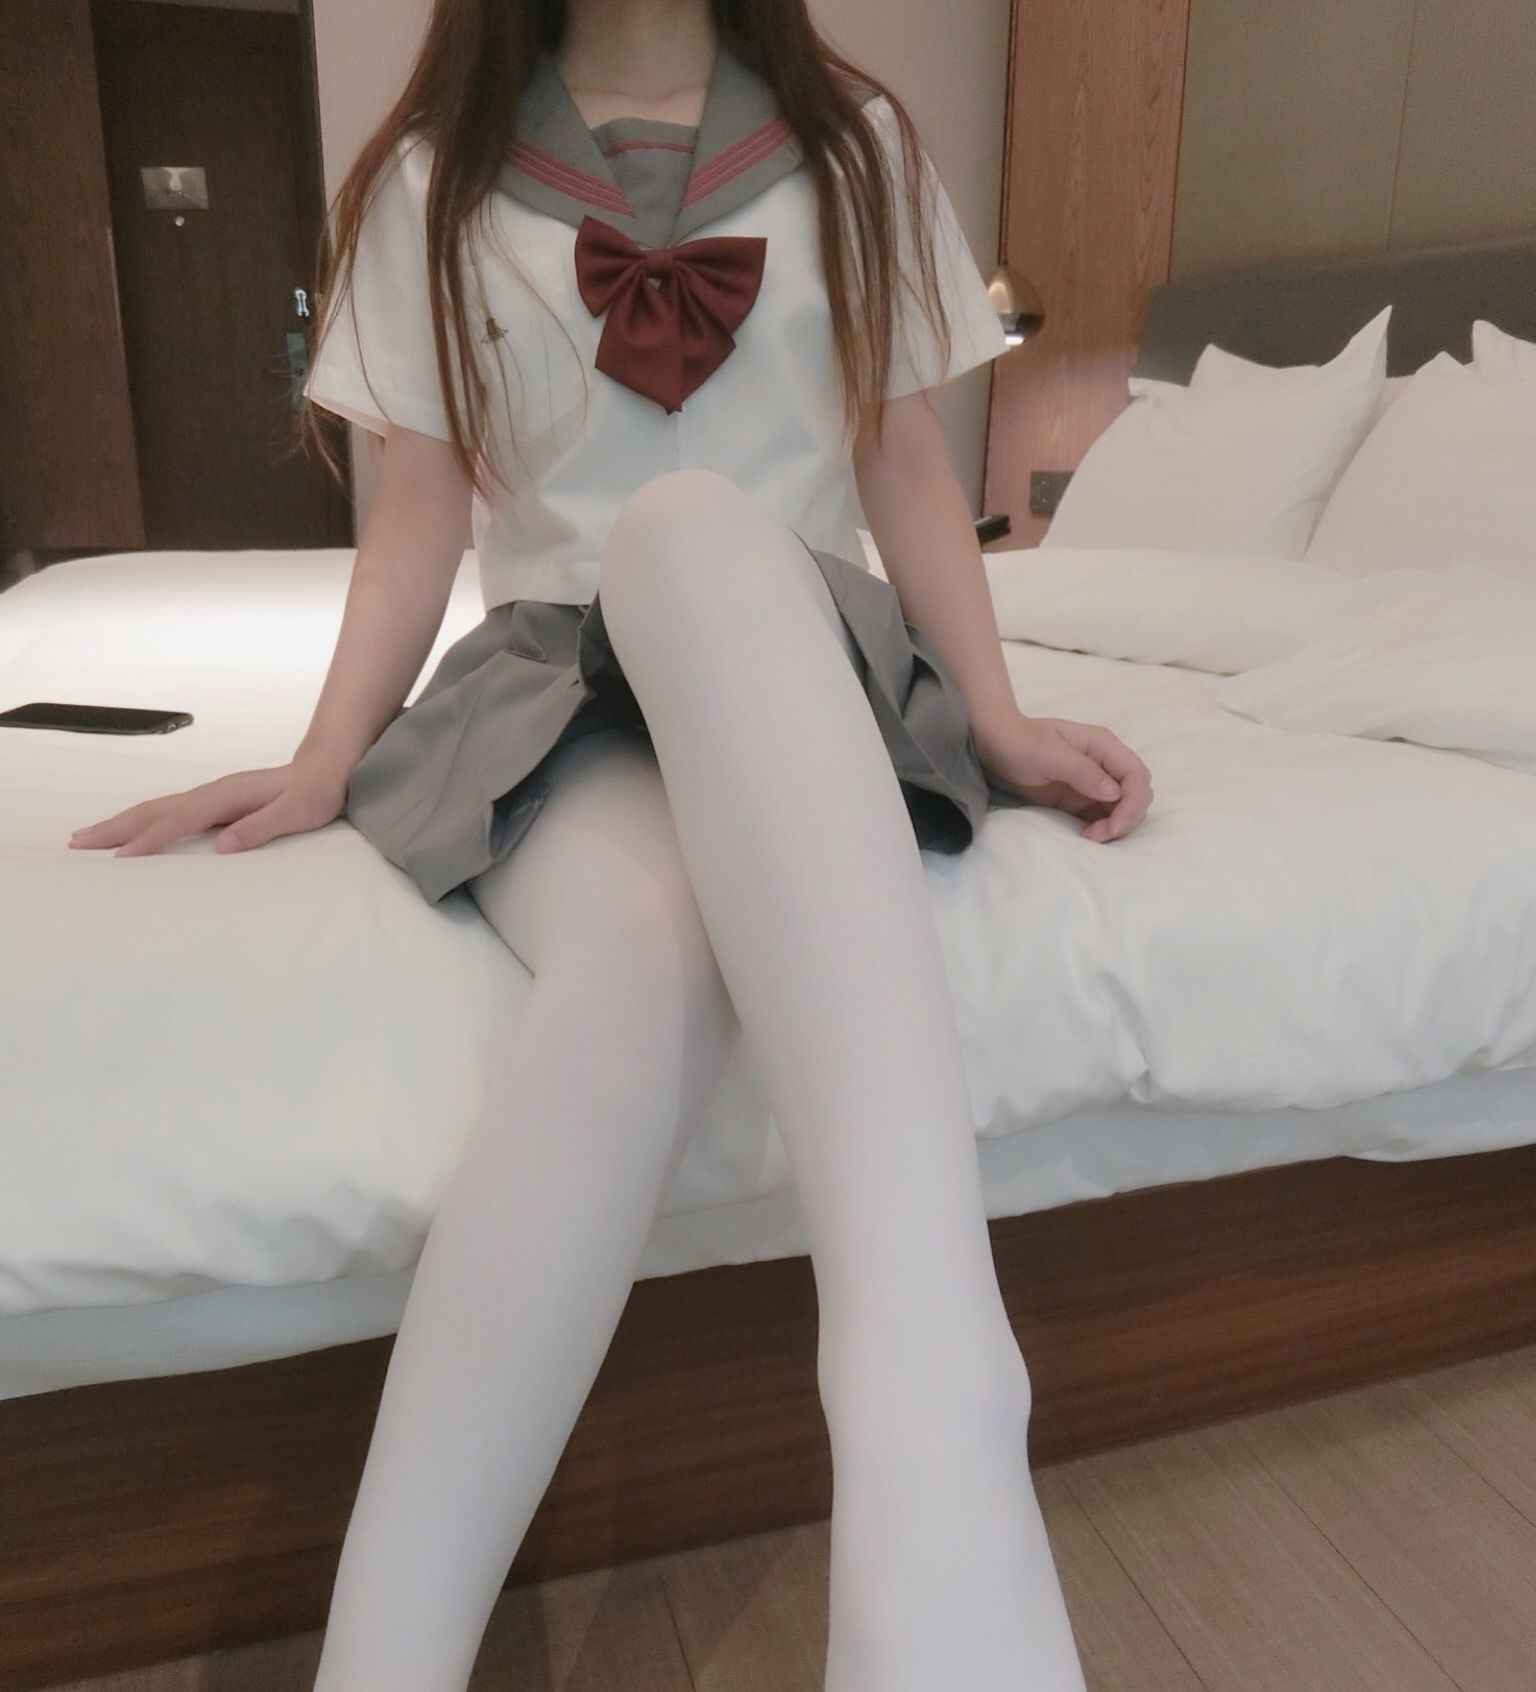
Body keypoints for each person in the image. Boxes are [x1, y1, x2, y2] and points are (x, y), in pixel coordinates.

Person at [68, 1, 1152, 1686]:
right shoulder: (433, 178)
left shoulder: (857, 149)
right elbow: (416, 514)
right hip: (556, 692)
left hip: (799, 667)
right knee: (644, 949)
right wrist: (327, 757)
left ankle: (921, 1386)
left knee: (694, 530)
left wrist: (997, 714)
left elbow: (905, 467)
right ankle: (401, 1655)